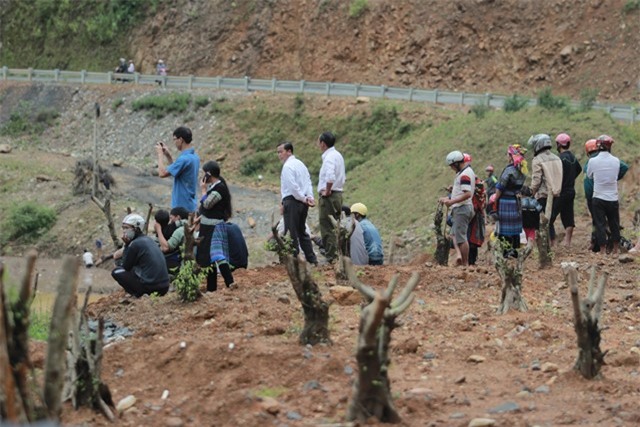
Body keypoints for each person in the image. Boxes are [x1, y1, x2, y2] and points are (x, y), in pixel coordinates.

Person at [196, 161, 235, 292]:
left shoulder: (219, 188)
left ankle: (230, 282)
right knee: (209, 257)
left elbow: (207, 204)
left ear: (208, 174)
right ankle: (211, 287)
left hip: (214, 226)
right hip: (208, 226)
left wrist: (202, 190)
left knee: (217, 254)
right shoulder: (215, 187)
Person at [586, 135, 628, 255]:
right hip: (613, 198)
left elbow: (589, 175)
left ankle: (603, 250)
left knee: (600, 224)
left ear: (598, 146)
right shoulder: (616, 161)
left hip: (598, 197)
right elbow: (617, 173)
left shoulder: (592, 161)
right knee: (614, 223)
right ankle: (615, 249)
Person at [277, 141, 317, 264]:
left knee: (291, 232)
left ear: (289, 151)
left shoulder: (288, 167)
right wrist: (309, 197)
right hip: (302, 201)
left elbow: (293, 187)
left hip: (293, 201)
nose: (279, 155)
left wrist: (304, 198)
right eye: (278, 152)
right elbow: (308, 182)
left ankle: (294, 262)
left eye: (281, 152)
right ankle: (312, 260)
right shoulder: (301, 165)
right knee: (301, 231)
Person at [111, 214, 170, 297]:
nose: (124, 231)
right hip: (164, 287)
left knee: (116, 272)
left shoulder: (135, 244)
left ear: (136, 228)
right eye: (123, 228)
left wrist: (127, 244)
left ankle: (138, 294)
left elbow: (126, 267)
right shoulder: (148, 239)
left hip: (151, 288)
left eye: (127, 228)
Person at [439, 150, 475, 266]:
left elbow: (467, 194)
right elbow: (462, 190)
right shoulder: (465, 172)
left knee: (461, 238)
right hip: (463, 208)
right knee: (457, 235)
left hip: (462, 208)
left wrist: (451, 201)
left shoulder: (464, 175)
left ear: (456, 164)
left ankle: (465, 264)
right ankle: (464, 262)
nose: (452, 169)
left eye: (452, 166)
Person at [489, 144, 527, 257]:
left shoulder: (509, 170)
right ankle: (514, 251)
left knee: (504, 228)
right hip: (516, 201)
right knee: (515, 228)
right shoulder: (523, 170)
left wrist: (495, 199)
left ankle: (506, 251)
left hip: (505, 201)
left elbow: (500, 187)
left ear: (511, 156)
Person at [316, 131, 346, 263]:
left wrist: (327, 191)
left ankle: (331, 258)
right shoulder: (337, 155)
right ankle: (338, 255)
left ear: (323, 143)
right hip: (338, 194)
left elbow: (330, 176)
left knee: (327, 226)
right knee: (336, 225)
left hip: (330, 195)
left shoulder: (329, 157)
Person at [156, 126, 200, 212]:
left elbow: (162, 173)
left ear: (181, 140)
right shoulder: (194, 157)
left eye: (175, 139)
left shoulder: (184, 159)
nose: (174, 142)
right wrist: (168, 155)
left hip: (181, 206)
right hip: (190, 204)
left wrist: (160, 154)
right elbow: (175, 171)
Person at [528, 133, 563, 244]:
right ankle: (552, 244)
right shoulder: (557, 158)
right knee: (550, 222)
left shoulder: (537, 160)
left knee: (541, 222)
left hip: (543, 195)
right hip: (557, 194)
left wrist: (531, 192)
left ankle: (544, 247)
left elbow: (536, 180)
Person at [551, 133, 582, 247]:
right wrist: (570, 178)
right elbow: (579, 169)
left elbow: (554, 175)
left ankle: (552, 242)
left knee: (550, 217)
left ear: (559, 144)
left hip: (561, 191)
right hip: (571, 191)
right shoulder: (573, 157)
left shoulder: (559, 159)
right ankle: (567, 242)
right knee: (568, 215)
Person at [154, 207, 189, 272]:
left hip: (180, 262)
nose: (170, 221)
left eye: (171, 217)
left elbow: (165, 248)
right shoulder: (187, 226)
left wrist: (158, 230)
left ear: (178, 217)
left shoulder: (180, 231)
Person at [520, 186, 543, 250]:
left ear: (522, 194)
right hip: (533, 223)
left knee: (524, 237)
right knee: (531, 236)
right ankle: (530, 247)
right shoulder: (534, 201)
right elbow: (540, 210)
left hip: (523, 223)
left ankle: (525, 248)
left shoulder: (520, 202)